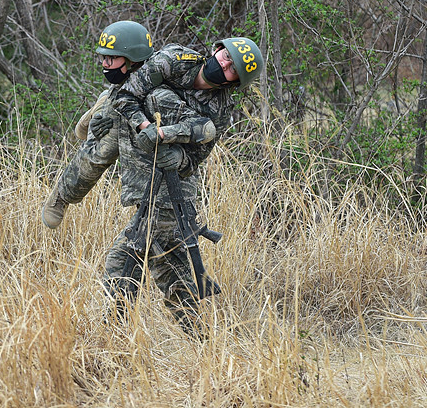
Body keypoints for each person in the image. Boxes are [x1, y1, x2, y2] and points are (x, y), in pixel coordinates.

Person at [41, 20, 265, 337]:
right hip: (135, 122)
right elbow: (129, 93)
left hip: (167, 167)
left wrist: (180, 157)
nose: (225, 65)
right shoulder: (176, 60)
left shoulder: (219, 109)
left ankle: (140, 333)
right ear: (217, 49)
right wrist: (145, 127)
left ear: (235, 81)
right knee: (103, 145)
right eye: (226, 56)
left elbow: (199, 155)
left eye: (232, 69)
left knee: (156, 254)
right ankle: (96, 120)